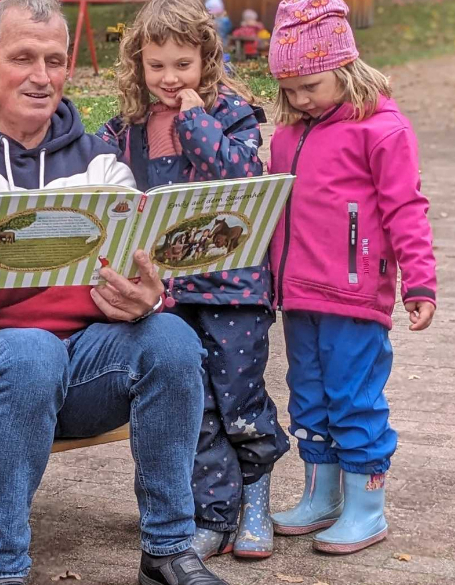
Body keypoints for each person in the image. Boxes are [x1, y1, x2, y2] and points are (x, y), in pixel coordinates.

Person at [0, 0, 227, 583]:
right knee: (30, 351)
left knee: (171, 337)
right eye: (22, 58)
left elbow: (132, 265)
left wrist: (148, 297)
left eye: (54, 60)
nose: (41, 77)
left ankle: (169, 549)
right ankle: (0, 567)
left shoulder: (100, 160)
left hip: (85, 367)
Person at [96, 0, 288, 560]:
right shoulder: (128, 127)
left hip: (234, 288)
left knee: (240, 399)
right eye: (156, 65)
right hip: (168, 293)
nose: (169, 78)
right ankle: (214, 514)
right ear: (138, 64)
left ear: (206, 59)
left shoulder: (232, 113)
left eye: (182, 64)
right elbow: (100, 177)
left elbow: (239, 174)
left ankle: (256, 501)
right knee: (197, 408)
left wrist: (194, 118)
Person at [266, 0, 438, 554]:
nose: (299, 99)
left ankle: (367, 508)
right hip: (299, 294)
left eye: (310, 86)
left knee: (353, 396)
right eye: (289, 89)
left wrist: (419, 281)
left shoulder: (382, 130)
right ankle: (322, 495)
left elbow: (406, 208)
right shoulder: (288, 134)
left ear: (343, 67)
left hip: (353, 293)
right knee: (308, 395)